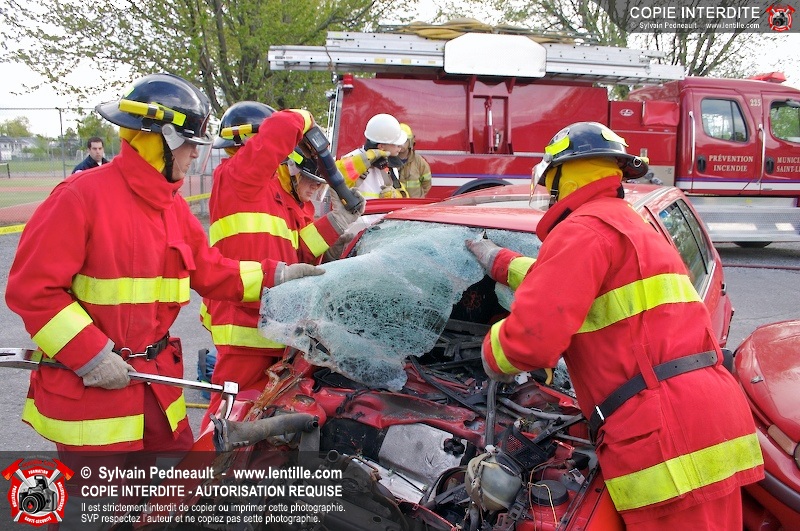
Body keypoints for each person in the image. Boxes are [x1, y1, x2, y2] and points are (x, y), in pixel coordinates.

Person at [5, 74, 324, 463]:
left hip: (156, 391)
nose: (194, 156)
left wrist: (278, 277)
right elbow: (32, 291)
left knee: (176, 487)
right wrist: (90, 354)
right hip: (94, 399)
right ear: (161, 140)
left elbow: (210, 270)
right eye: (189, 144)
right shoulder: (79, 197)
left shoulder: (172, 207)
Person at [466, 122, 763, 530]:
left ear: (565, 177)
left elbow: (529, 341)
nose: (549, 195)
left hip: (666, 436)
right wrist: (497, 260)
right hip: (704, 421)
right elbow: (561, 281)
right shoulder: (622, 225)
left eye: (550, 185)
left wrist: (487, 354)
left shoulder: (582, 230)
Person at [200, 101, 366, 426]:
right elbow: (280, 131)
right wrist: (305, 119)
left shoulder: (280, 197)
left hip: (275, 328)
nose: (315, 189)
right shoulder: (239, 178)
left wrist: (337, 222)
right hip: (245, 330)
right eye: (311, 181)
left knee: (258, 421)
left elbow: (299, 252)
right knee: (228, 422)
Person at [345, 113, 408, 199]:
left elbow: (403, 199)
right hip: (361, 208)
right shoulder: (351, 159)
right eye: (396, 144)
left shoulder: (391, 166)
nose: (400, 147)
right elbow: (338, 189)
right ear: (381, 146)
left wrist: (396, 195)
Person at [397, 123, 431, 197]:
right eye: (398, 140)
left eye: (404, 141)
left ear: (410, 142)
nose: (401, 144)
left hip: (414, 202)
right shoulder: (389, 161)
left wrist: (419, 198)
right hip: (397, 202)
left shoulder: (419, 161)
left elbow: (427, 183)